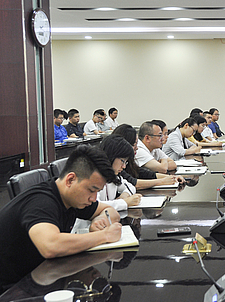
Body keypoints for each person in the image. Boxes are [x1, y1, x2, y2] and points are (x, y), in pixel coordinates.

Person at [0, 145, 122, 291]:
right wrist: (104, 235)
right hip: (10, 291)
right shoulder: (42, 202)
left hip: (39, 277)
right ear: (70, 180)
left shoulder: (73, 198)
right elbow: (51, 246)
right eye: (91, 190)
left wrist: (98, 220)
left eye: (98, 192)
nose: (93, 198)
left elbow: (110, 211)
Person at [112, 124, 183, 189]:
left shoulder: (128, 161)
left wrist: (172, 178)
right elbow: (133, 182)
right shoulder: (116, 163)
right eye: (134, 144)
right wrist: (162, 181)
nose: (137, 148)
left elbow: (143, 173)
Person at [97, 135, 142, 211]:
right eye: (122, 161)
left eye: (126, 162)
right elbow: (96, 206)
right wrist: (125, 202)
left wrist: (124, 195)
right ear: (111, 156)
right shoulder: (92, 177)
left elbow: (131, 187)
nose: (124, 166)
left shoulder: (113, 175)